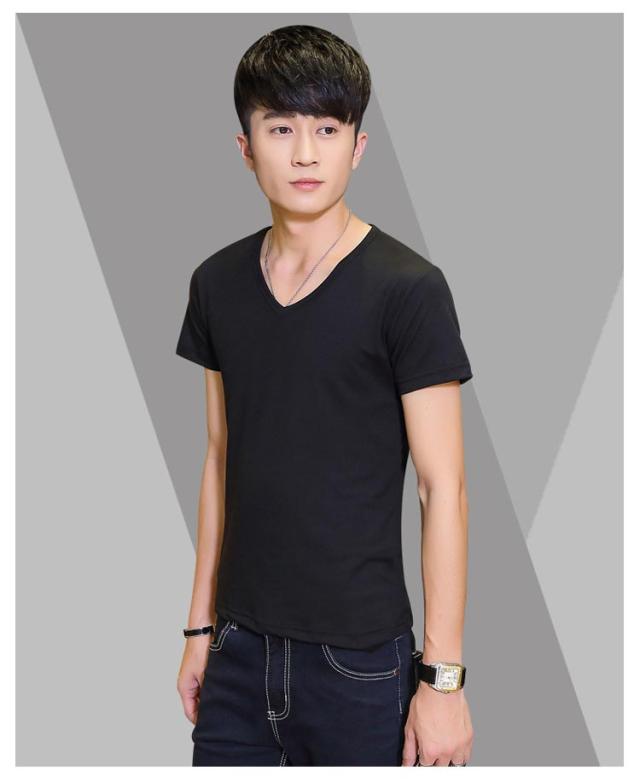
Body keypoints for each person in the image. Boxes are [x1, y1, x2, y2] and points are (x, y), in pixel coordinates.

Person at [175, 24, 474, 767]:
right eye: (281, 128)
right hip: (237, 651)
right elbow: (220, 459)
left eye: (328, 129)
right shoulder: (216, 283)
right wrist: (199, 630)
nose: (305, 153)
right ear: (245, 147)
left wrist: (442, 680)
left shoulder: (408, 289)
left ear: (358, 146)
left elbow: (443, 488)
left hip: (360, 663)